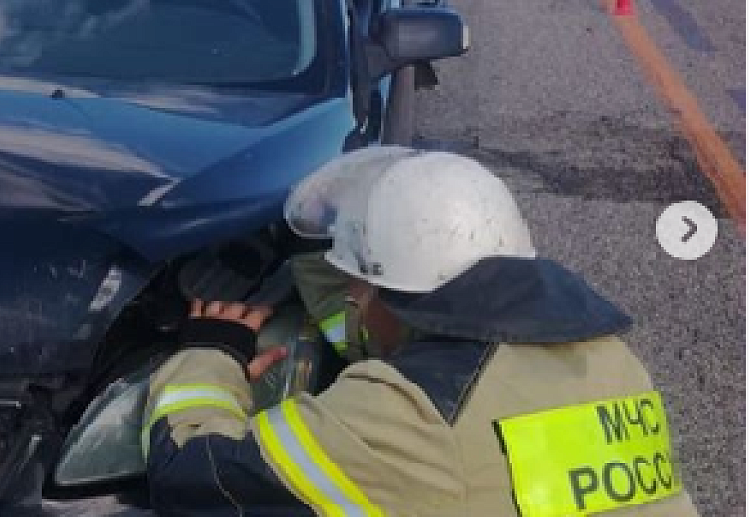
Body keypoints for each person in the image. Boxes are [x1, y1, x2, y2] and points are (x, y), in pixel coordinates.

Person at [143, 146, 698, 516]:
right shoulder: (608, 358)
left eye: (358, 283)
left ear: (389, 291)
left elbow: (192, 471)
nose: (353, 299)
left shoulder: (407, 416)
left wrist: (213, 350)